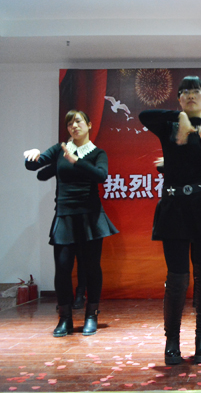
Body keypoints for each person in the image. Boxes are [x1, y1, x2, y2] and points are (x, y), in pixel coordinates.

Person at [139, 76, 201, 365]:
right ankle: (172, 340)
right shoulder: (168, 126)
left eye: (197, 92)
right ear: (179, 99)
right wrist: (181, 119)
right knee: (177, 277)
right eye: (185, 92)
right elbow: (145, 115)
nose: (191, 95)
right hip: (175, 207)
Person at [24, 110, 118, 337]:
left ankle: (91, 315)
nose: (73, 126)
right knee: (63, 268)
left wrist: (76, 161)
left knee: (92, 268)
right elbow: (34, 168)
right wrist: (32, 154)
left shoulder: (97, 153)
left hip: (90, 217)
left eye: (78, 122)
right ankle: (65, 318)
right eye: (69, 124)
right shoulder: (60, 149)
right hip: (65, 216)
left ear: (89, 125)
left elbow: (101, 175)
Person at [36, 164, 88, 310]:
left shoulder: (88, 159)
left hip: (84, 214)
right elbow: (41, 175)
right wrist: (59, 161)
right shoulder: (61, 160)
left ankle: (80, 294)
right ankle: (66, 297)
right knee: (62, 262)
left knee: (83, 259)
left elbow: (100, 176)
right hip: (64, 216)